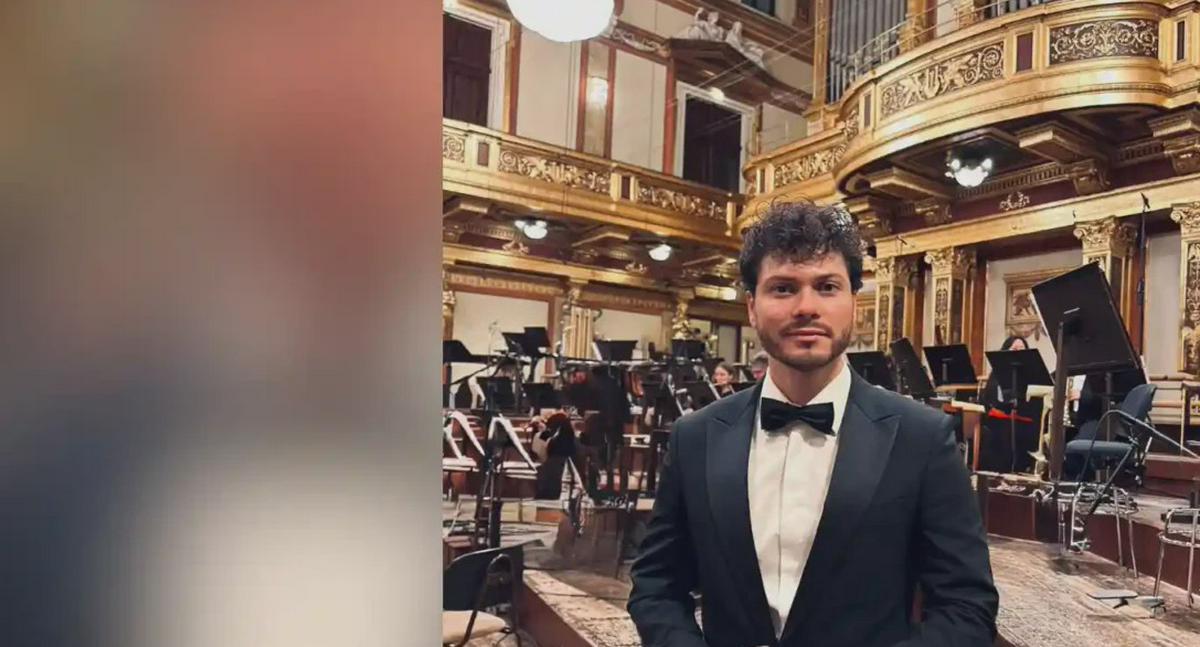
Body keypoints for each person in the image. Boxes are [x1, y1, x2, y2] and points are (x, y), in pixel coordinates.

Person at [628, 202, 997, 647]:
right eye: (783, 288)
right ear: (752, 307)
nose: (806, 307)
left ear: (854, 304)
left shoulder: (922, 437)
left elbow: (966, 606)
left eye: (826, 287)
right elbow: (656, 586)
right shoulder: (696, 436)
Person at [979, 335, 1042, 473]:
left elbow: (1035, 403)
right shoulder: (998, 371)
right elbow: (991, 397)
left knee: (1011, 429)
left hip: (1024, 417)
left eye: (1022, 349)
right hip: (1000, 416)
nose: (1018, 352)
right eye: (1014, 349)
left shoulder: (1033, 371)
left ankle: (1018, 467)